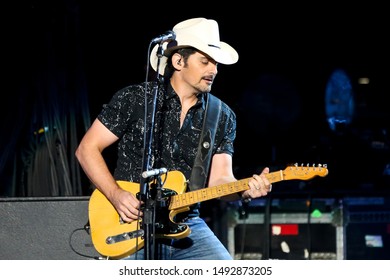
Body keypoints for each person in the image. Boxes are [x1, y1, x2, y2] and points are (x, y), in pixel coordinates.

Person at [75, 17, 272, 260]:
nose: (214, 70)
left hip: (188, 223)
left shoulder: (222, 116)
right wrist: (116, 195)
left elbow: (220, 179)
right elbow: (87, 149)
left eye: (216, 63)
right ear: (178, 61)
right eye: (205, 61)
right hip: (130, 221)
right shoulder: (136, 99)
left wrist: (244, 191)